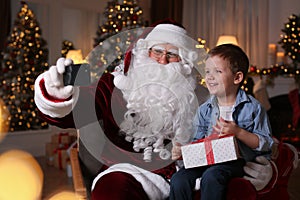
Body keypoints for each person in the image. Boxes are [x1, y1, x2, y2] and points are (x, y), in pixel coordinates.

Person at [34, 19, 273, 199]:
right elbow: (72, 110)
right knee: (113, 188)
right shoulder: (114, 85)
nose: (162, 60)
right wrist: (56, 90)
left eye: (172, 55)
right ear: (143, 54)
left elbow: (249, 135)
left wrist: (265, 171)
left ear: (186, 64)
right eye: (157, 51)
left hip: (192, 175)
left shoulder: (205, 97)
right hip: (133, 174)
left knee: (234, 188)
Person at [169, 44, 274, 200]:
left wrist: (238, 132)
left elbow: (266, 143)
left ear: (237, 77)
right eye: (207, 71)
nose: (210, 77)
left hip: (235, 161)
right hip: (205, 158)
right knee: (179, 179)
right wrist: (181, 151)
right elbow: (196, 140)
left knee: (212, 176)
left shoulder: (253, 108)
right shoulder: (204, 109)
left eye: (217, 71)